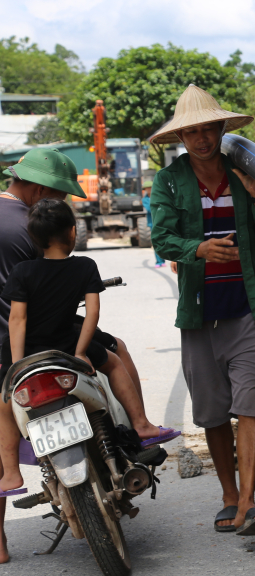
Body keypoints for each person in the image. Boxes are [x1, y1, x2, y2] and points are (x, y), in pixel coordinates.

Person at [0, 149, 164, 563]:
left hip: (11, 351)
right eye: (59, 195)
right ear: (38, 188)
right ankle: (139, 428)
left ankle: (0, 539)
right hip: (50, 339)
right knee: (116, 351)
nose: (63, 205)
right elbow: (52, 293)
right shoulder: (31, 228)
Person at [150, 84, 255, 536]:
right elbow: (163, 240)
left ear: (221, 128)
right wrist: (200, 249)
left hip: (250, 309)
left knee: (252, 406)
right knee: (212, 412)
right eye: (192, 132)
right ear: (182, 138)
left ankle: (247, 501)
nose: (202, 138)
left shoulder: (244, 174)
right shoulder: (169, 181)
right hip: (200, 315)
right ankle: (228, 495)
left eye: (209, 128)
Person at [141, 180, 165, 268]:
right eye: (147, 188)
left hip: (162, 221)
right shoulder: (145, 199)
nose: (149, 190)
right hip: (152, 223)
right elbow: (151, 209)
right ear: (145, 190)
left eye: (150, 188)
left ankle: (163, 259)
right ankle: (159, 261)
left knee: (163, 241)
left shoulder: (159, 196)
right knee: (156, 242)